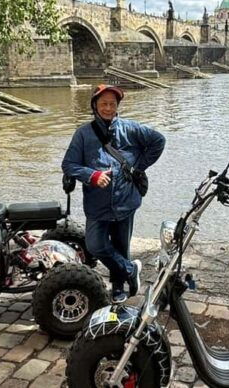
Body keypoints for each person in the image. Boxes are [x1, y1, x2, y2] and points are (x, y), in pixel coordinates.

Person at [62, 85, 165, 303]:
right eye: (103, 104)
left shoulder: (130, 128)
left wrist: (138, 167)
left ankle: (118, 289)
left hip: (125, 201)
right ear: (94, 106)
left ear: (117, 106)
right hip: (97, 203)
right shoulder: (83, 134)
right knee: (95, 244)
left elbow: (158, 141)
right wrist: (92, 175)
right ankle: (130, 270)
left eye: (112, 104)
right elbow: (69, 164)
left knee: (121, 246)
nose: (108, 108)